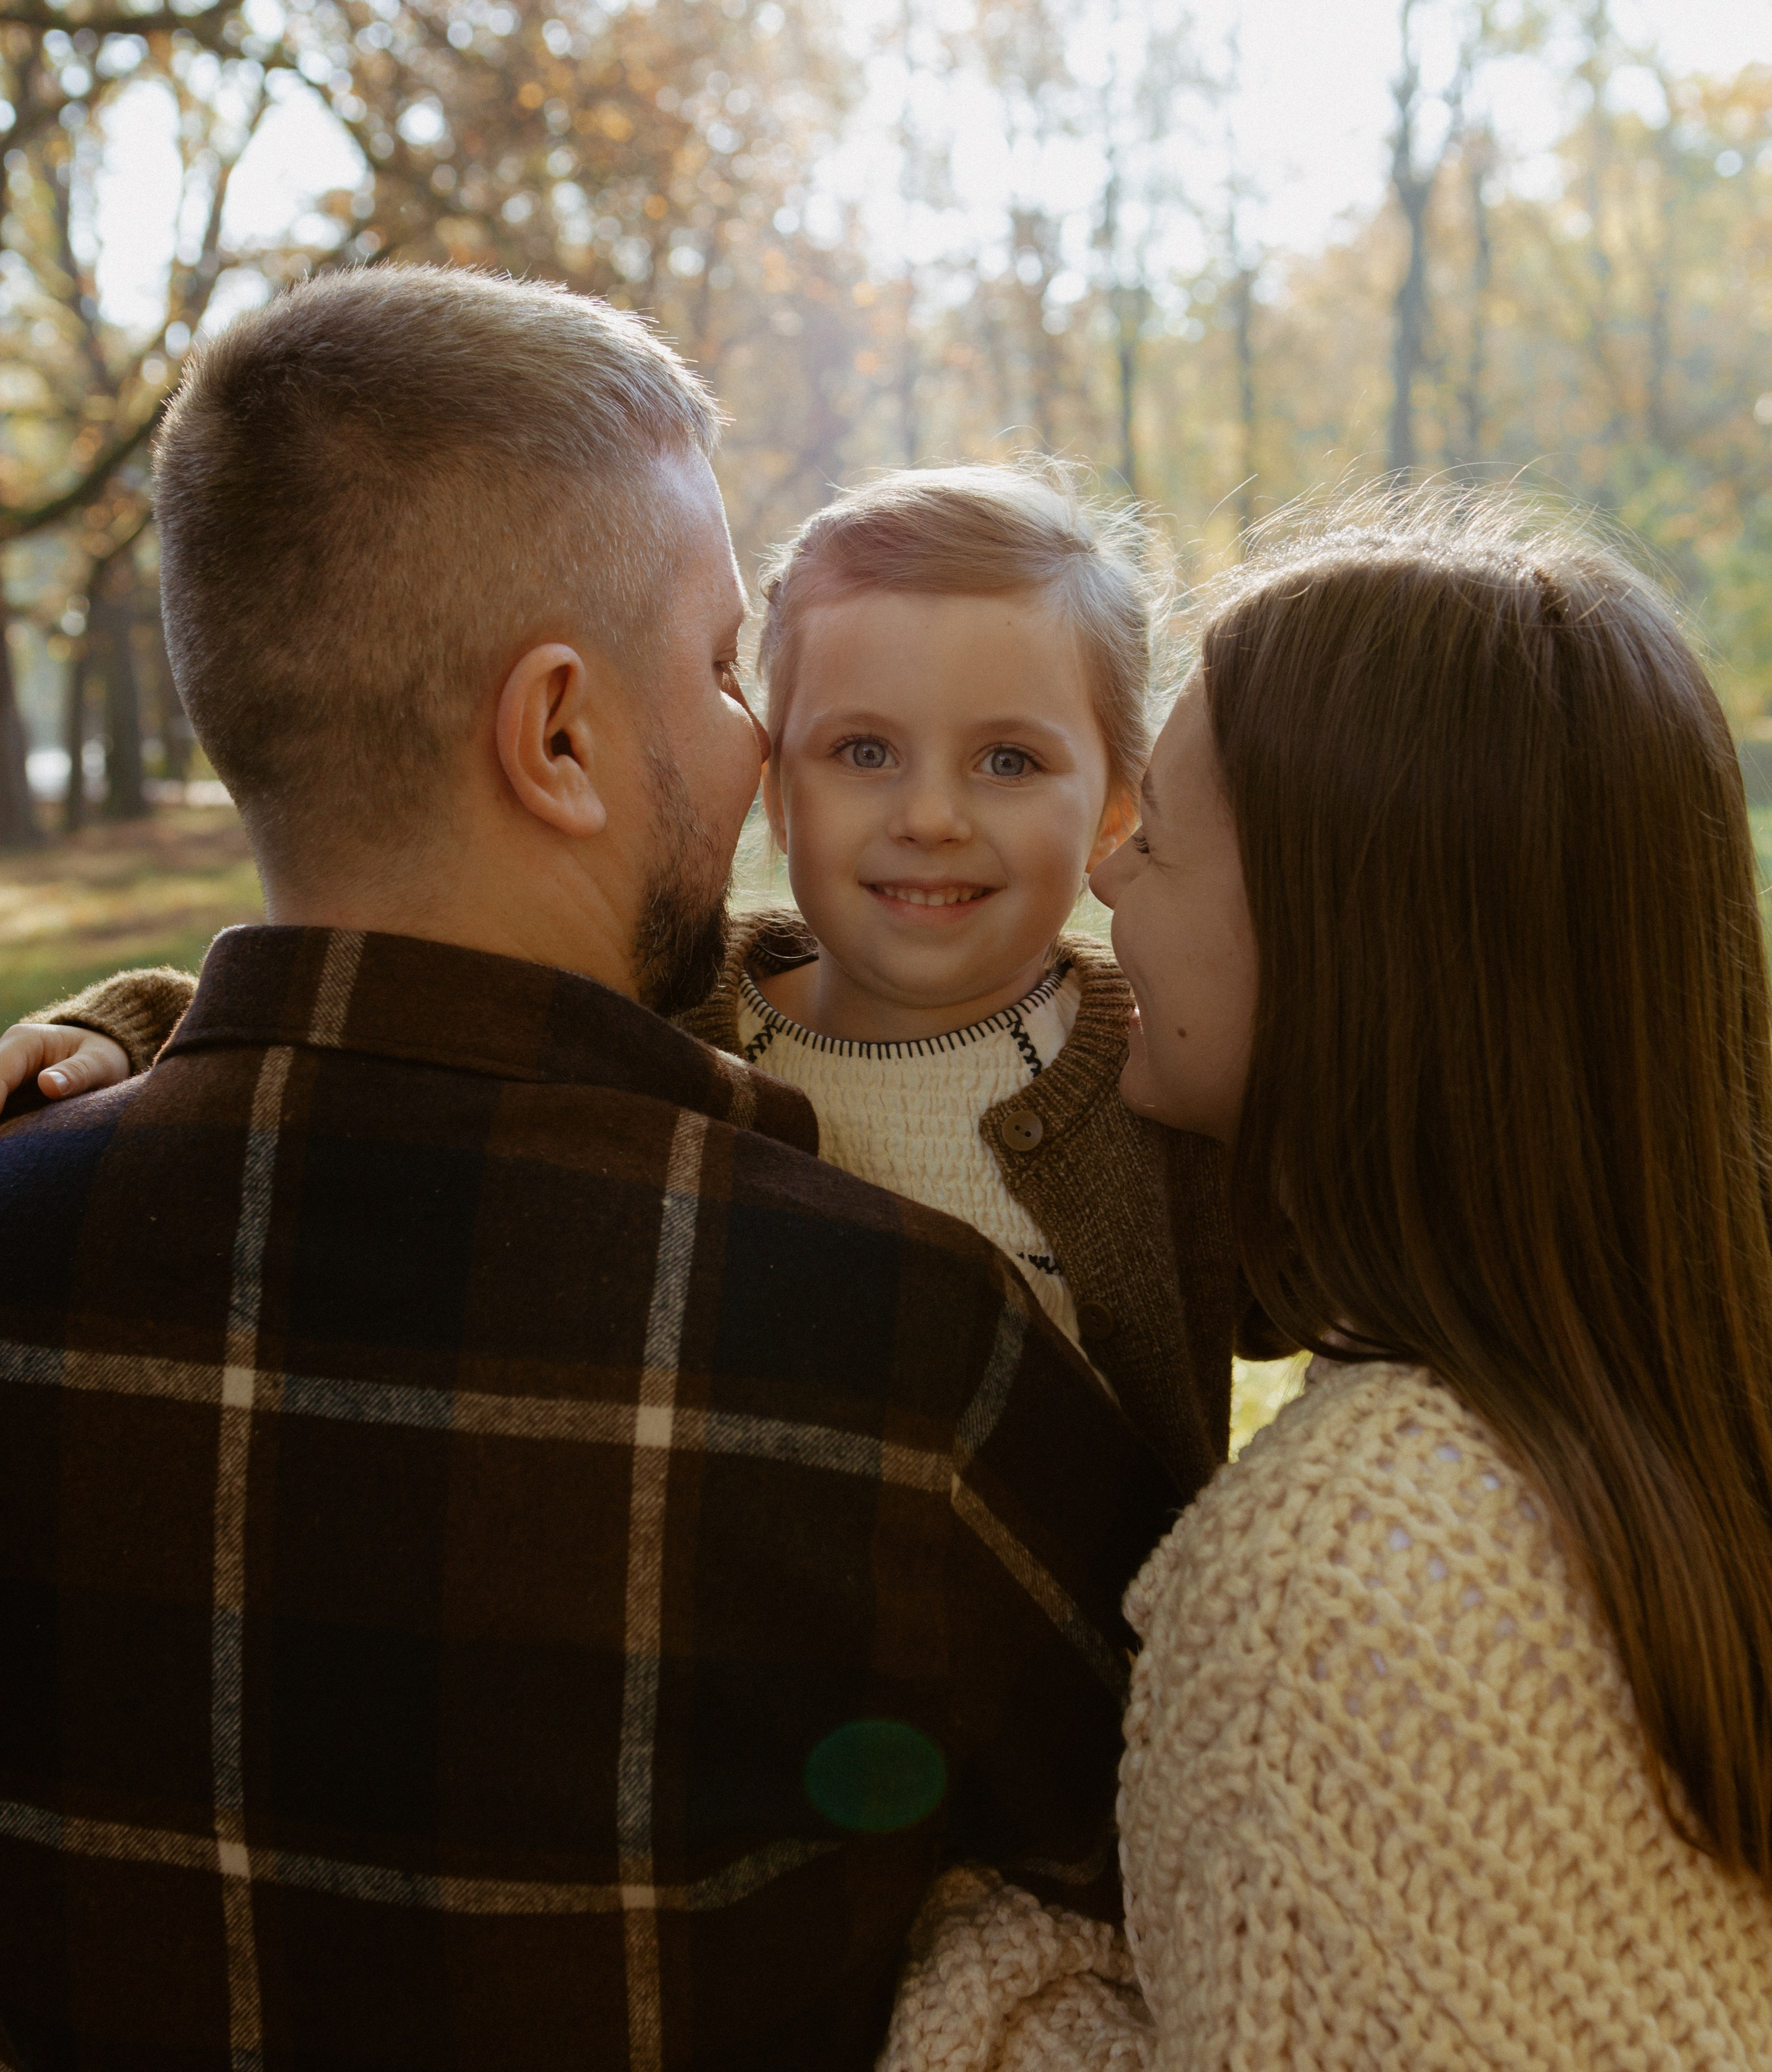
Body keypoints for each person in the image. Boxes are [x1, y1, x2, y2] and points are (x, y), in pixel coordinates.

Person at [0, 264, 1176, 2072]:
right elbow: (1185, 1893)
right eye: (727, 674)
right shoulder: (884, 1354)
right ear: (556, 735)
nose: (754, 747)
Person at [869, 494, 1772, 2072]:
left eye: (1160, 842)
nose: (1106, 898)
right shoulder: (1678, 1410)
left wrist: (974, 1971)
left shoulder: (1352, 1596)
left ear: (1343, 950)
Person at [6, 467, 1240, 1506]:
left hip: (1065, 1687)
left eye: (1009, 761)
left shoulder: (1158, 1067)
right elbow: (392, 1011)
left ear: (1115, 806)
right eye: (862, 751)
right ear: (774, 781)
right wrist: (120, 1029)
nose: (928, 816)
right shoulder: (682, 1003)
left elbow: (1348, 1238)